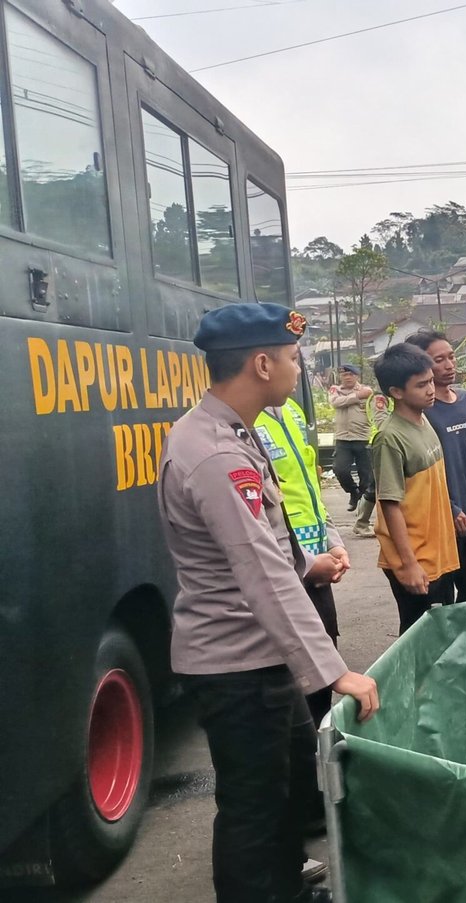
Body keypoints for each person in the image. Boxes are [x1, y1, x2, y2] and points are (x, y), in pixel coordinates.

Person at [157, 302, 378, 903]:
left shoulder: (232, 431)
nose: (296, 366)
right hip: (236, 666)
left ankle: (285, 882)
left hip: (260, 657)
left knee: (282, 788)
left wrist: (311, 563)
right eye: (290, 357)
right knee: (252, 807)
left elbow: (259, 551)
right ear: (260, 364)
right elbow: (259, 575)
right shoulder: (217, 454)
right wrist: (335, 673)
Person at [253, 396, 348, 726]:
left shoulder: (291, 409)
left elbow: (310, 487)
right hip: (283, 577)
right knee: (293, 688)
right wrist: (306, 563)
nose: (296, 369)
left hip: (317, 570)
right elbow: (253, 527)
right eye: (291, 357)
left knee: (321, 674)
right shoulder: (244, 423)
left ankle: (317, 767)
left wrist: (333, 541)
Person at [370, 342, 460, 633]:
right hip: (415, 559)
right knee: (418, 640)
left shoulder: (424, 421)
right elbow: (389, 504)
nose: (431, 389)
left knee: (440, 636)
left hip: (438, 554)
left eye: (431, 381)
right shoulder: (390, 438)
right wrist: (408, 564)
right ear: (396, 392)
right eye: (421, 385)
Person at [404, 330, 466, 602]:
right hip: (441, 517)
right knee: (441, 593)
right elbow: (424, 472)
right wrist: (450, 507)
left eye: (451, 356)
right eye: (438, 360)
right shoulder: (422, 410)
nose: (449, 365)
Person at [327, 363, 373, 512]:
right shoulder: (336, 390)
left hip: (363, 437)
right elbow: (335, 403)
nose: (347, 377)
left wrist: (354, 396)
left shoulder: (367, 390)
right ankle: (353, 492)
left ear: (357, 376)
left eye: (350, 374)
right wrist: (357, 397)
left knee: (366, 475)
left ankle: (361, 501)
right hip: (343, 439)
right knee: (340, 470)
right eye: (344, 375)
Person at [349, 392, 387, 538]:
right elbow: (381, 422)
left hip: (389, 443)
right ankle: (361, 523)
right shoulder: (380, 398)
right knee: (375, 485)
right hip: (380, 444)